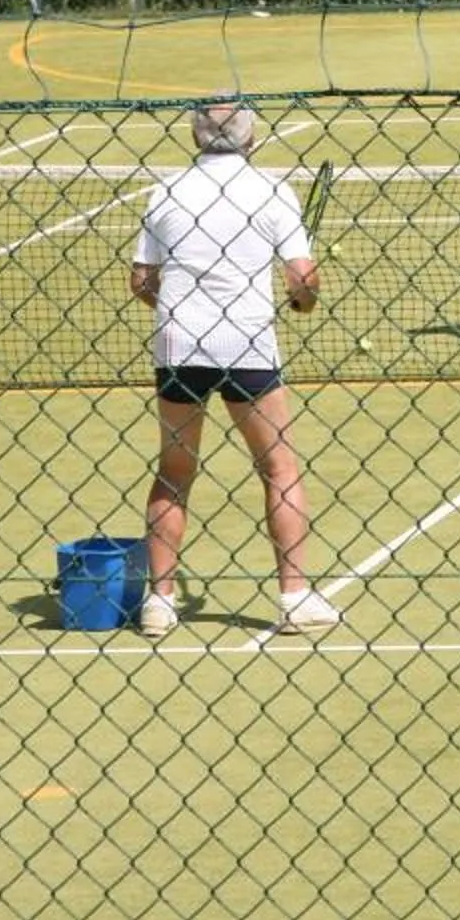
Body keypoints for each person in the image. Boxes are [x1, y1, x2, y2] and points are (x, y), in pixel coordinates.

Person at [129, 97, 340, 637]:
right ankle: (294, 598)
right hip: (247, 347)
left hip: (178, 345)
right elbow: (303, 278)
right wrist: (305, 300)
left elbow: (141, 282)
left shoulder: (166, 190)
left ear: (197, 137)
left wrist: (184, 313)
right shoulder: (272, 191)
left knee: (173, 473)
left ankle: (160, 603)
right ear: (251, 137)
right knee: (279, 468)